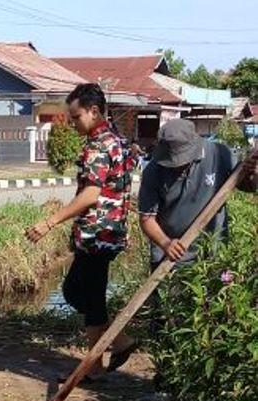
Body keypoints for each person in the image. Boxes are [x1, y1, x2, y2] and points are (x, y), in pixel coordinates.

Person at [27, 83, 137, 376]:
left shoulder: (98, 145)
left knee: (90, 296)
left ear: (94, 111)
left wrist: (49, 222)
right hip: (109, 232)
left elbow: (90, 194)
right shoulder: (118, 141)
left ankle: (96, 366)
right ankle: (119, 342)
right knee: (78, 292)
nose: (73, 123)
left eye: (76, 117)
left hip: (97, 234)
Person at [138, 118, 257, 266]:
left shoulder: (219, 154)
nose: (177, 165)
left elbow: (247, 186)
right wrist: (166, 243)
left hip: (213, 254)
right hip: (170, 259)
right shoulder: (154, 171)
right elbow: (147, 219)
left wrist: (251, 174)